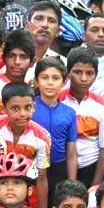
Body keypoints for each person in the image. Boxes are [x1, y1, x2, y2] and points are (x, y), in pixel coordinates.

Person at [0, 82, 52, 207]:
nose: (22, 114)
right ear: (3, 108)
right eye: (15, 108)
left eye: (27, 107)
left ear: (34, 107)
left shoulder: (43, 137)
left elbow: (41, 178)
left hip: (27, 198)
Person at [62, 47, 104, 187]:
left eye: (89, 73)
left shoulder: (101, 106)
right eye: (78, 72)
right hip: (61, 167)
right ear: (68, 73)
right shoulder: (57, 101)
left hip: (91, 168)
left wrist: (96, 184)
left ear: (96, 75)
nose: (83, 78)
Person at [33, 57, 78, 191]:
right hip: (33, 166)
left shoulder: (69, 113)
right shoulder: (30, 108)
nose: (50, 83)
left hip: (59, 168)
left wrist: (72, 183)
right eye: (45, 77)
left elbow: (71, 153)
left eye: (55, 78)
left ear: (64, 82)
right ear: (36, 81)